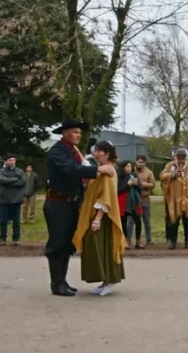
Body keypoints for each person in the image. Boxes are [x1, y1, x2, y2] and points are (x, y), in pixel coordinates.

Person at [45, 120, 112, 297]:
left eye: (79, 133)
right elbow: (70, 169)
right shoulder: (58, 151)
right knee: (57, 244)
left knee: (68, 243)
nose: (78, 135)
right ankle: (56, 283)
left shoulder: (72, 151)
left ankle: (62, 281)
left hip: (71, 203)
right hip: (57, 203)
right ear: (65, 133)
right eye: (75, 132)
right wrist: (99, 170)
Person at [72, 141, 126, 296]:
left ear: (107, 154)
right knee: (100, 247)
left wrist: (97, 219)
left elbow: (106, 196)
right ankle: (105, 281)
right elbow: (87, 168)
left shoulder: (109, 170)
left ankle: (111, 279)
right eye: (95, 151)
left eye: (98, 152)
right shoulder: (101, 169)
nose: (95, 154)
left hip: (103, 217)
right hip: (96, 215)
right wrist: (77, 153)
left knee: (105, 247)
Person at [160, 149, 188, 250]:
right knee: (174, 221)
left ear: (186, 158)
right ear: (175, 157)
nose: (181, 160)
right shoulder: (170, 166)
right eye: (179, 158)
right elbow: (162, 176)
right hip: (174, 199)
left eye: (183, 158)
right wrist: (173, 174)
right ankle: (173, 241)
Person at [0, 155, 25, 246]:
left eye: (13, 160)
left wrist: (8, 182)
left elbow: (22, 182)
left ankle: (16, 239)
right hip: (4, 199)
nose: (12, 162)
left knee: (16, 221)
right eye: (10, 160)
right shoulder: (1, 171)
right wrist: (15, 179)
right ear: (6, 161)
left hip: (16, 199)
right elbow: (1, 181)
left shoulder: (20, 171)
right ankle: (2, 238)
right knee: (3, 220)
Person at [117, 161, 144, 249]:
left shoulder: (134, 175)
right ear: (123, 168)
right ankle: (126, 240)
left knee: (138, 221)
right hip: (124, 201)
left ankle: (138, 240)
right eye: (127, 166)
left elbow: (140, 188)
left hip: (134, 201)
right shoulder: (119, 177)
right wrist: (128, 185)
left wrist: (136, 185)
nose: (129, 168)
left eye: (130, 166)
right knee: (123, 221)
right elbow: (118, 191)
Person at [133, 155, 155, 246]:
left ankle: (149, 239)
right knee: (131, 221)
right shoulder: (131, 170)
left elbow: (153, 184)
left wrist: (142, 184)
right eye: (139, 162)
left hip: (145, 199)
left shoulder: (149, 172)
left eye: (143, 162)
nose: (141, 164)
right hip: (133, 200)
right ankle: (128, 239)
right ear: (136, 161)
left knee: (146, 220)